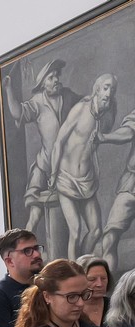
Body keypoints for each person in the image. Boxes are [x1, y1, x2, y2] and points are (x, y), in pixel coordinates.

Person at [2, 58, 81, 232]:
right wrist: (8, 89)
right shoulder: (37, 102)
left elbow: (85, 106)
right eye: (51, 77)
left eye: (56, 76)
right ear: (43, 82)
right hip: (44, 166)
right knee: (35, 216)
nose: (56, 80)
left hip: (68, 168)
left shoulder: (68, 96)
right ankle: (27, 251)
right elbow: (17, 112)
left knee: (74, 219)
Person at [50, 73, 118, 258]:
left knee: (96, 230)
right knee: (76, 230)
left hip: (87, 181)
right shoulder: (81, 109)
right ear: (97, 88)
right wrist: (53, 172)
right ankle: (74, 277)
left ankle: (79, 265)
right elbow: (59, 142)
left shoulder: (105, 116)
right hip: (66, 178)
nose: (109, 92)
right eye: (106, 87)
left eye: (112, 89)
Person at [0, 228, 45, 327]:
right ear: (10, 261)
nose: (37, 254)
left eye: (36, 248)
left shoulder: (46, 287)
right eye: (27, 251)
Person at [98, 107, 135, 271]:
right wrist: (104, 137)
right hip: (131, 182)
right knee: (109, 237)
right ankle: (108, 292)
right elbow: (128, 132)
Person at [81, 256, 113, 327]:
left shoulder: (115, 307)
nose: (99, 284)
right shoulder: (72, 308)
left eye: (103, 278)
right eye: (92, 279)